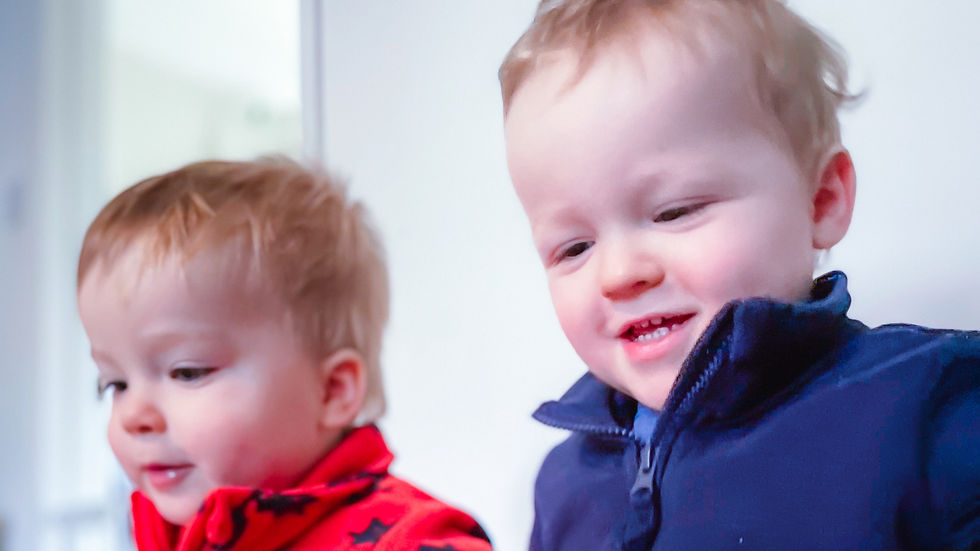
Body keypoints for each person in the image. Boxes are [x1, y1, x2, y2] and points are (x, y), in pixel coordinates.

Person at [499, 1, 980, 549]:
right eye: (575, 247)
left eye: (674, 211)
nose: (617, 274)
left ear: (820, 200)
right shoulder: (565, 484)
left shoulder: (925, 407)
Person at [77, 158, 493, 550]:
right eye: (116, 383)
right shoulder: (169, 535)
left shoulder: (415, 540)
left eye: (187, 373)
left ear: (330, 390)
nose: (133, 416)